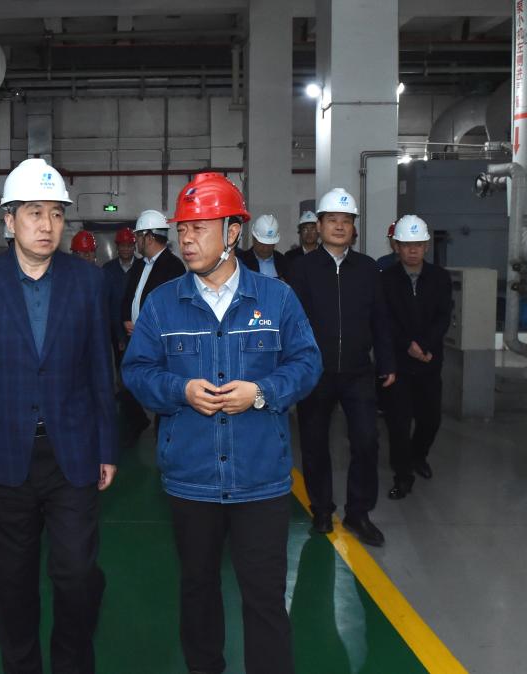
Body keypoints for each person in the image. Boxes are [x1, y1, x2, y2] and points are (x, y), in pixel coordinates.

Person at [123, 173, 322, 674]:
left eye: (199, 228)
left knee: (265, 598)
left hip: (260, 479)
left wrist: (262, 392)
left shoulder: (276, 299)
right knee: (198, 594)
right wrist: (180, 391)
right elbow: (137, 371)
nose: (186, 240)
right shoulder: (163, 303)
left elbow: (307, 362)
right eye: (182, 229)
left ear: (233, 232)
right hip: (191, 479)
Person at [0, 157, 117, 674]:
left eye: (56, 214)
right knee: (11, 580)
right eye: (35, 213)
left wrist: (107, 446)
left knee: (77, 574)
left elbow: (99, 367)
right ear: (10, 220)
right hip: (3, 455)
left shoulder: (87, 282)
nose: (47, 225)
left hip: (72, 453)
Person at [290, 188, 396, 547]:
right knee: (314, 443)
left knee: (366, 440)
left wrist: (387, 360)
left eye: (346, 221)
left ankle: (358, 513)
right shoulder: (302, 269)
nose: (339, 226)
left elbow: (380, 318)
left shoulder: (367, 269)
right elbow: (292, 322)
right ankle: (321, 508)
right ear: (318, 226)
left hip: (357, 372)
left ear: (354, 229)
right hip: (314, 372)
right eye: (332, 220)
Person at [381, 215, 452, 499]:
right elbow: (384, 320)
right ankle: (403, 475)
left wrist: (424, 345)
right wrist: (407, 345)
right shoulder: (385, 279)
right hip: (398, 363)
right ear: (397, 246)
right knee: (398, 423)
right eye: (407, 245)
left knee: (430, 419)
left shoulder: (440, 278)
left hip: (429, 360)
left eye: (418, 245)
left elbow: (443, 316)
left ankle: (418, 455)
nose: (413, 250)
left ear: (426, 246)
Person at [120, 209, 186, 437]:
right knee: (128, 383)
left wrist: (146, 329)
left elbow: (174, 311)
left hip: (160, 344)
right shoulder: (139, 265)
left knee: (162, 390)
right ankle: (135, 424)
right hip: (135, 338)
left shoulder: (174, 267)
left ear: (148, 237)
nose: (135, 241)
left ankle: (163, 435)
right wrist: (126, 319)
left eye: (138, 236)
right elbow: (129, 296)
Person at [102, 227, 137, 365]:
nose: (126, 249)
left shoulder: (142, 267)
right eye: (122, 245)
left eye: (129, 246)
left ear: (134, 247)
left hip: (138, 329)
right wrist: (118, 335)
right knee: (120, 365)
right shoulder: (107, 269)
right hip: (114, 330)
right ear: (117, 247)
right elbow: (105, 303)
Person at [237, 213, 289, 282]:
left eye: (269, 244)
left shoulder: (283, 261)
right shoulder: (241, 262)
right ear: (254, 238)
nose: (265, 249)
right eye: (262, 244)